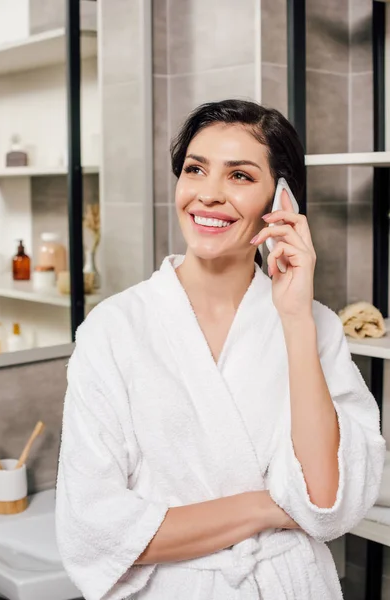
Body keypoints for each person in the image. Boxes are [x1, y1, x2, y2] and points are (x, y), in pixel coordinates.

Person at [55, 99, 386, 600]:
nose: (208, 195)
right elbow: (93, 526)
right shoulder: (113, 330)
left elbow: (326, 502)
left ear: (282, 201)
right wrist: (266, 508)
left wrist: (295, 318)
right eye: (195, 169)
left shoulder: (314, 323)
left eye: (239, 176)